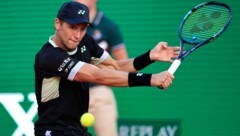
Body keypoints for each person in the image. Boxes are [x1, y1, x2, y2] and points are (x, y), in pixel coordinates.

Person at [34, 1, 179, 136]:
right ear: (58, 24)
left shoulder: (85, 42)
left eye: (83, 29)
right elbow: (97, 75)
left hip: (78, 130)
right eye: (72, 27)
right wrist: (152, 79)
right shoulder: (49, 56)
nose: (77, 35)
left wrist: (149, 56)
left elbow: (116, 66)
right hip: (53, 131)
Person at [73, 0, 128, 135]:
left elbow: (123, 65)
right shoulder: (68, 25)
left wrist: (101, 71)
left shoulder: (108, 26)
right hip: (72, 93)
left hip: (100, 93)